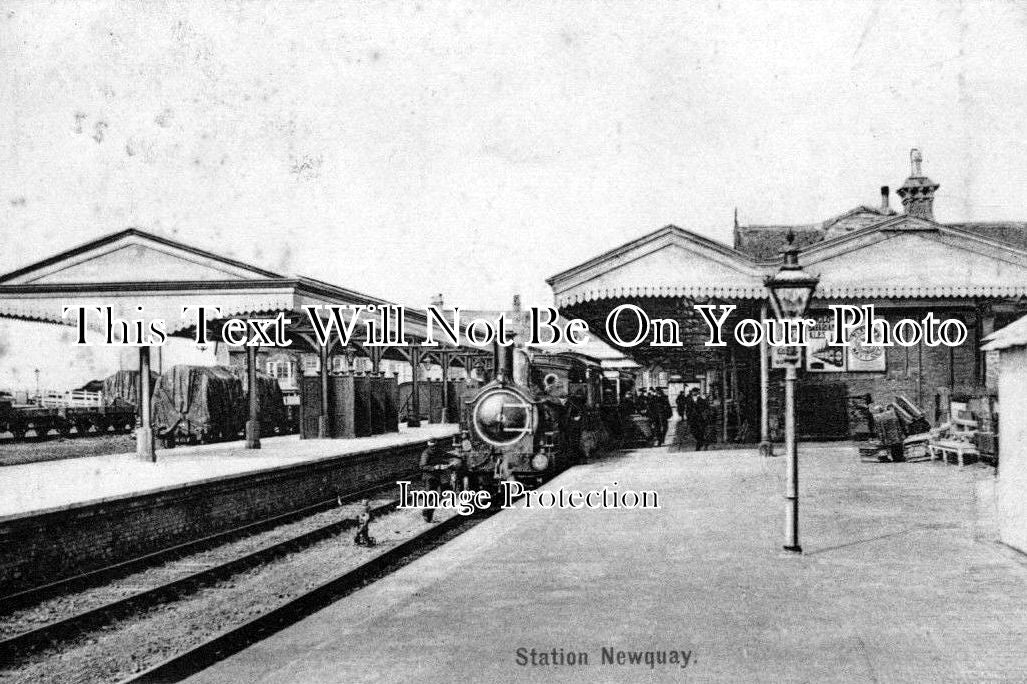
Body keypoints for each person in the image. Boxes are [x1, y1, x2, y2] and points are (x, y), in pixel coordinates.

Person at [419, 437, 453, 523]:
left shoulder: (439, 451)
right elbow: (422, 466)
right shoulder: (426, 453)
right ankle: (428, 516)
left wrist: (455, 458)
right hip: (429, 477)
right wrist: (435, 467)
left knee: (441, 494)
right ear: (429, 446)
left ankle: (427, 512)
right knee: (430, 496)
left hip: (438, 477)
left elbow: (447, 455)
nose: (434, 448)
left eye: (435, 446)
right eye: (432, 446)